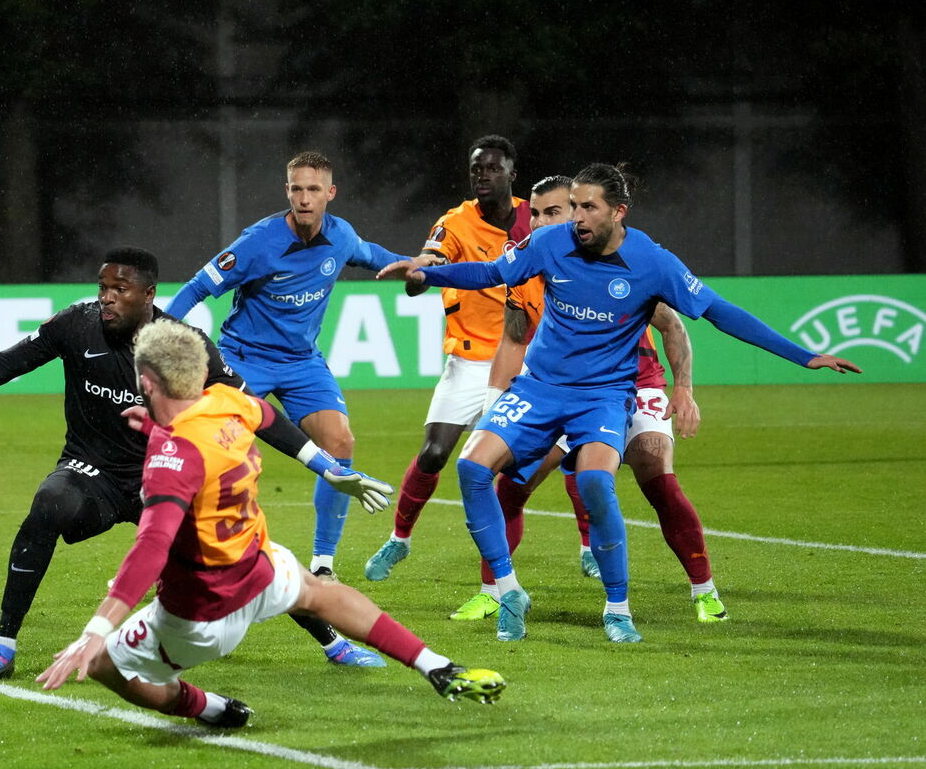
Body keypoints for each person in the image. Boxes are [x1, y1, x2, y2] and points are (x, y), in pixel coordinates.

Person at [0, 247, 392, 681]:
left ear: (149, 295)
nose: (105, 297)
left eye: (119, 288)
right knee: (49, 503)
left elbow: (255, 413)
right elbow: (8, 364)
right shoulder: (75, 325)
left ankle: (334, 642)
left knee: (250, 553)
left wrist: (325, 465)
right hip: (94, 474)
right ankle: (3, 647)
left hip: (169, 477)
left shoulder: (184, 346)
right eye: (102, 286)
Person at [377, 163, 861, 644]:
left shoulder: (653, 263)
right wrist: (430, 271)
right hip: (539, 388)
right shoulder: (549, 243)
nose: (578, 218)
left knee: (594, 482)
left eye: (589, 207)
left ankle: (618, 609)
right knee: (472, 468)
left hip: (602, 397)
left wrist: (805, 356)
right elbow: (490, 270)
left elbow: (718, 311)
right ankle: (508, 591)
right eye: (576, 207)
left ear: (618, 212)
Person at [35, 319, 505, 726]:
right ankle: (436, 665)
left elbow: (152, 545)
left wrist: (95, 629)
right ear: (199, 374)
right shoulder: (226, 399)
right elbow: (266, 416)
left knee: (99, 663)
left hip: (199, 613)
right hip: (257, 570)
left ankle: (207, 709)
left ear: (147, 382)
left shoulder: (173, 454)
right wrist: (328, 467)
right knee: (318, 593)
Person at [166, 151, 418, 581]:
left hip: (302, 363)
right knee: (212, 453)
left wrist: (416, 268)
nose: (304, 198)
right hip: (244, 361)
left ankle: (322, 565)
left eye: (313, 189)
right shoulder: (257, 243)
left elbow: (373, 254)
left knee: (339, 442)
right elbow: (195, 288)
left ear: (330, 193)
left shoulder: (340, 237)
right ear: (287, 191)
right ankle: (178, 559)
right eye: (297, 189)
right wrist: (162, 340)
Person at [492, 174, 729, 623]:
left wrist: (684, 388)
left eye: (556, 213)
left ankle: (704, 589)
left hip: (635, 385)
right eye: (536, 214)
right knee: (512, 482)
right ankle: (495, 590)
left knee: (656, 475)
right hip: (566, 391)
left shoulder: (628, 261)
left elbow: (673, 325)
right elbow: (515, 338)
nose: (544, 222)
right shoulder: (537, 263)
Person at [362, 135, 536, 624]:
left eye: (493, 168)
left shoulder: (534, 218)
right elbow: (432, 258)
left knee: (506, 477)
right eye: (477, 168)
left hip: (521, 362)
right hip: (466, 361)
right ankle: (399, 540)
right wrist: (418, 273)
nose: (483, 175)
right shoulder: (454, 221)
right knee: (435, 453)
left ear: (511, 173)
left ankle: (493, 588)